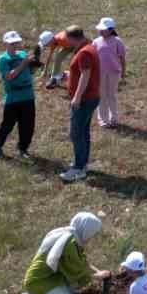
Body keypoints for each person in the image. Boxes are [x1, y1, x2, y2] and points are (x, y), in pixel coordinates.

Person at [21, 212, 111, 294]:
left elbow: (83, 263)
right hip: (40, 282)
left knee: (68, 293)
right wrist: (97, 276)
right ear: (86, 230)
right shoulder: (70, 244)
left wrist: (98, 272)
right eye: (92, 234)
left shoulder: (70, 237)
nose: (91, 238)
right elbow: (76, 272)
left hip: (47, 278)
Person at [62, 26, 99, 181]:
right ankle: (82, 163)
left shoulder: (84, 52)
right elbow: (85, 73)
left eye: (66, 39)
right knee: (83, 132)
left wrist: (77, 97)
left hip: (84, 99)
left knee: (76, 133)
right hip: (91, 97)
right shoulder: (88, 47)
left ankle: (78, 169)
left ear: (71, 38)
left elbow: (85, 75)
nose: (65, 42)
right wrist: (70, 76)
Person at [0, 31, 35, 160]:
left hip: (28, 95)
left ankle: (23, 148)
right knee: (8, 124)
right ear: (5, 43)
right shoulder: (3, 59)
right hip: (13, 97)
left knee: (28, 124)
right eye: (11, 43)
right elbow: (9, 76)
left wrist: (33, 63)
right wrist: (24, 63)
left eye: (16, 42)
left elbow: (30, 71)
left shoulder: (23, 54)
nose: (14, 45)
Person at [93, 17, 126, 128]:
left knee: (111, 95)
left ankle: (114, 119)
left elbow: (122, 58)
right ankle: (103, 120)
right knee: (101, 96)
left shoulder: (117, 41)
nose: (101, 31)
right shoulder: (96, 42)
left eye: (104, 29)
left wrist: (123, 72)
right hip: (100, 73)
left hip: (114, 73)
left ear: (111, 30)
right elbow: (93, 57)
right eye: (100, 29)